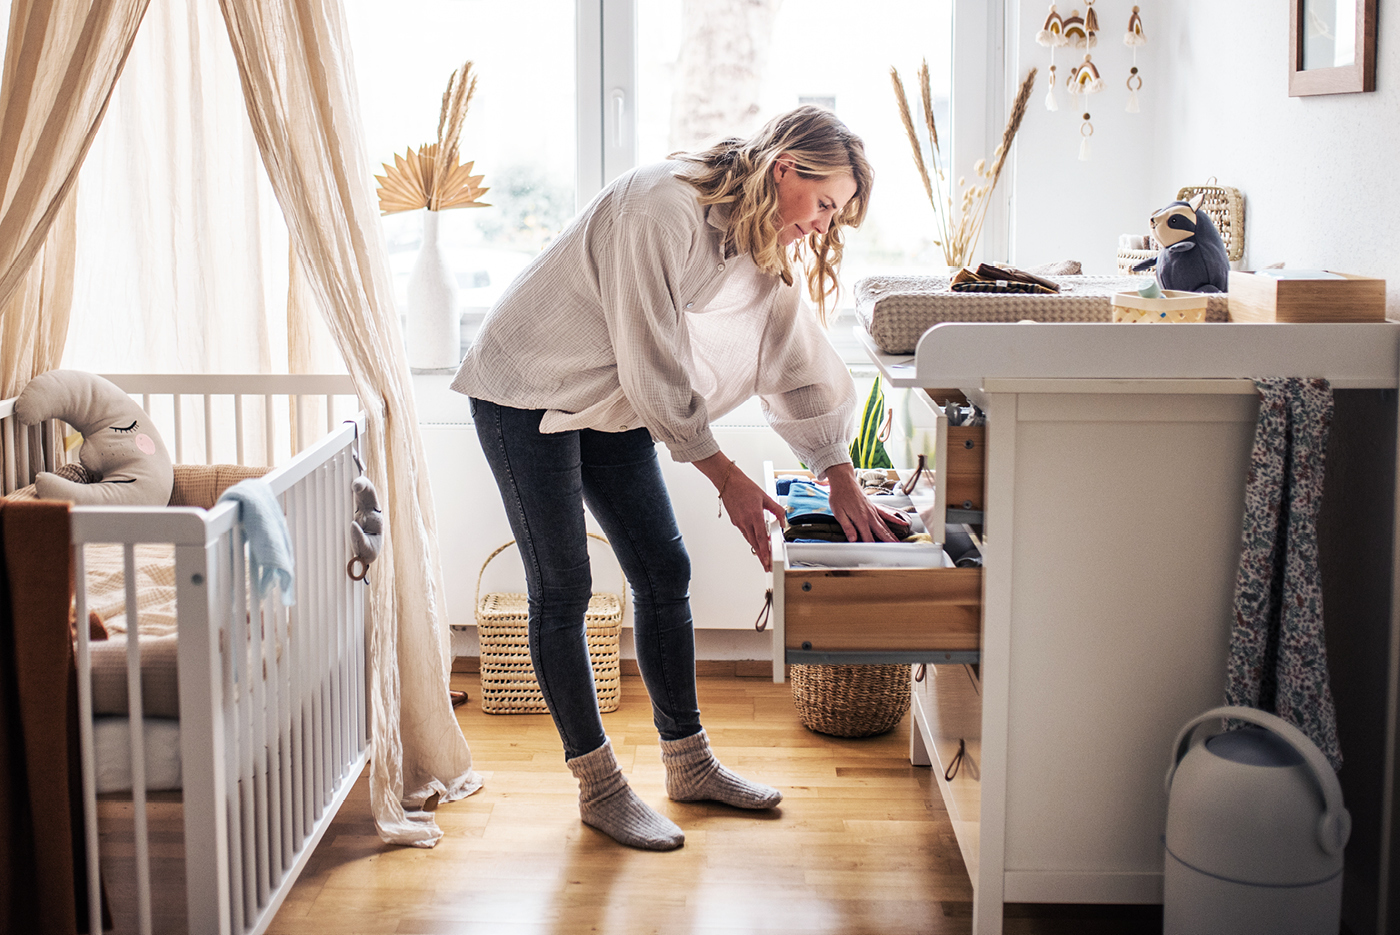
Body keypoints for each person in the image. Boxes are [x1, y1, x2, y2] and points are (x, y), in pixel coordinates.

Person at [451, 105, 895, 851]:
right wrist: (726, 477)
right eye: (823, 204)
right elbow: (652, 363)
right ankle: (600, 788)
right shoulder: (660, 207)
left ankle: (690, 765)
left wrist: (838, 470)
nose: (823, 226)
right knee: (563, 587)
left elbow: (797, 354)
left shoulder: (763, 241)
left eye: (835, 215)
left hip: (610, 398)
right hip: (525, 387)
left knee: (664, 569)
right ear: (785, 168)